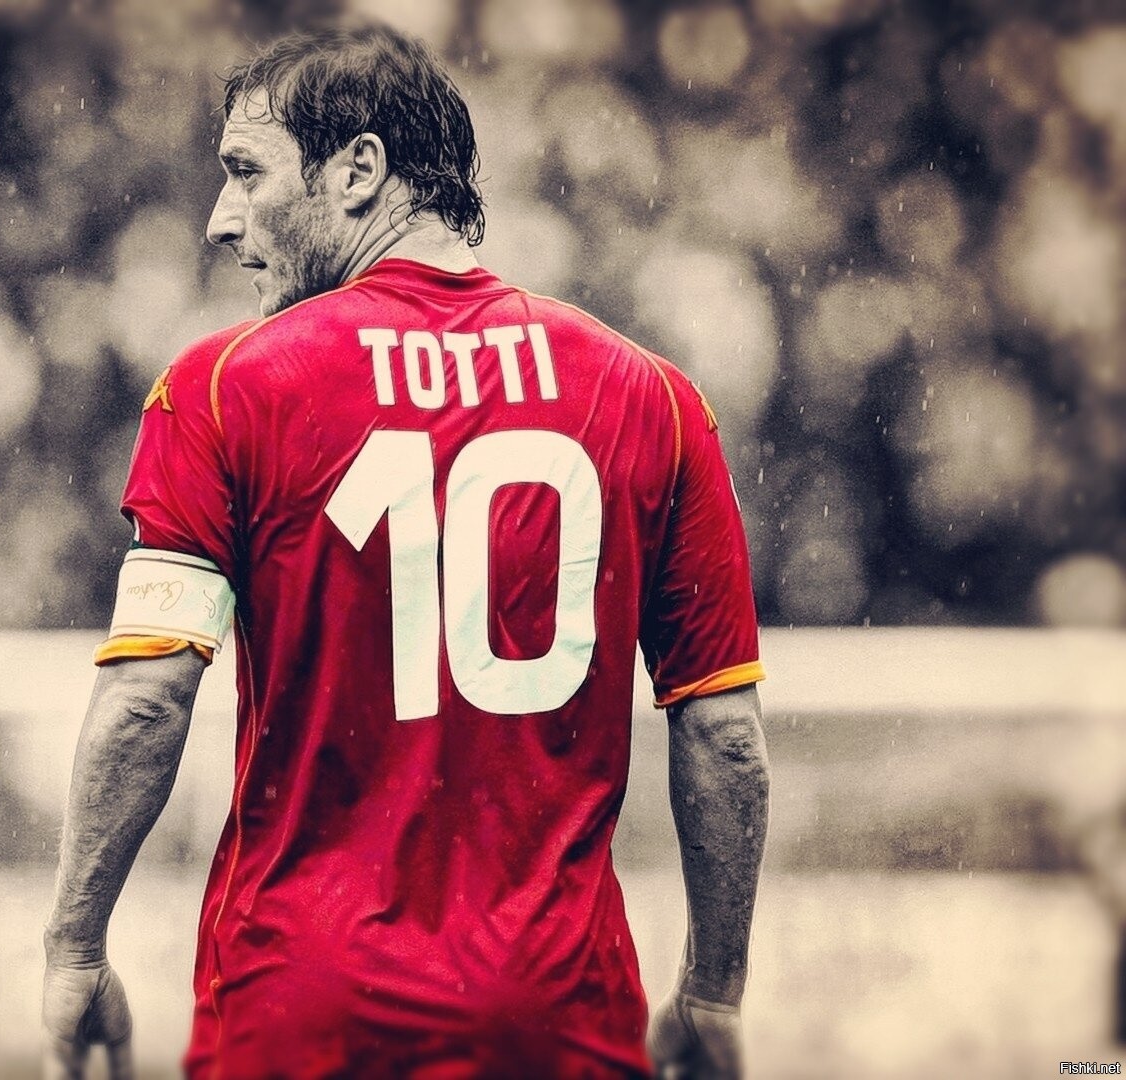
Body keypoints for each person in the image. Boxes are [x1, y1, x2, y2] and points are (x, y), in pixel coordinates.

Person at [42, 21, 769, 1080]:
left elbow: (148, 698)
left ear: (359, 170)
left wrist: (74, 949)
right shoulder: (651, 397)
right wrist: (712, 989)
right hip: (554, 1021)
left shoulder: (225, 388)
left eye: (246, 172)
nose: (219, 219)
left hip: (301, 1010)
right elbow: (724, 732)